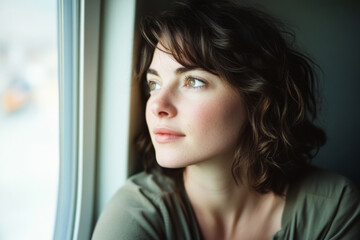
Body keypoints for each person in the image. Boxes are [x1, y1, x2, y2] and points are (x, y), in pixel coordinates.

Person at [92, 0, 360, 239]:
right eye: (154, 83)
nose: (157, 106)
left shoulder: (333, 208)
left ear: (257, 97)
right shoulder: (136, 211)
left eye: (193, 81)